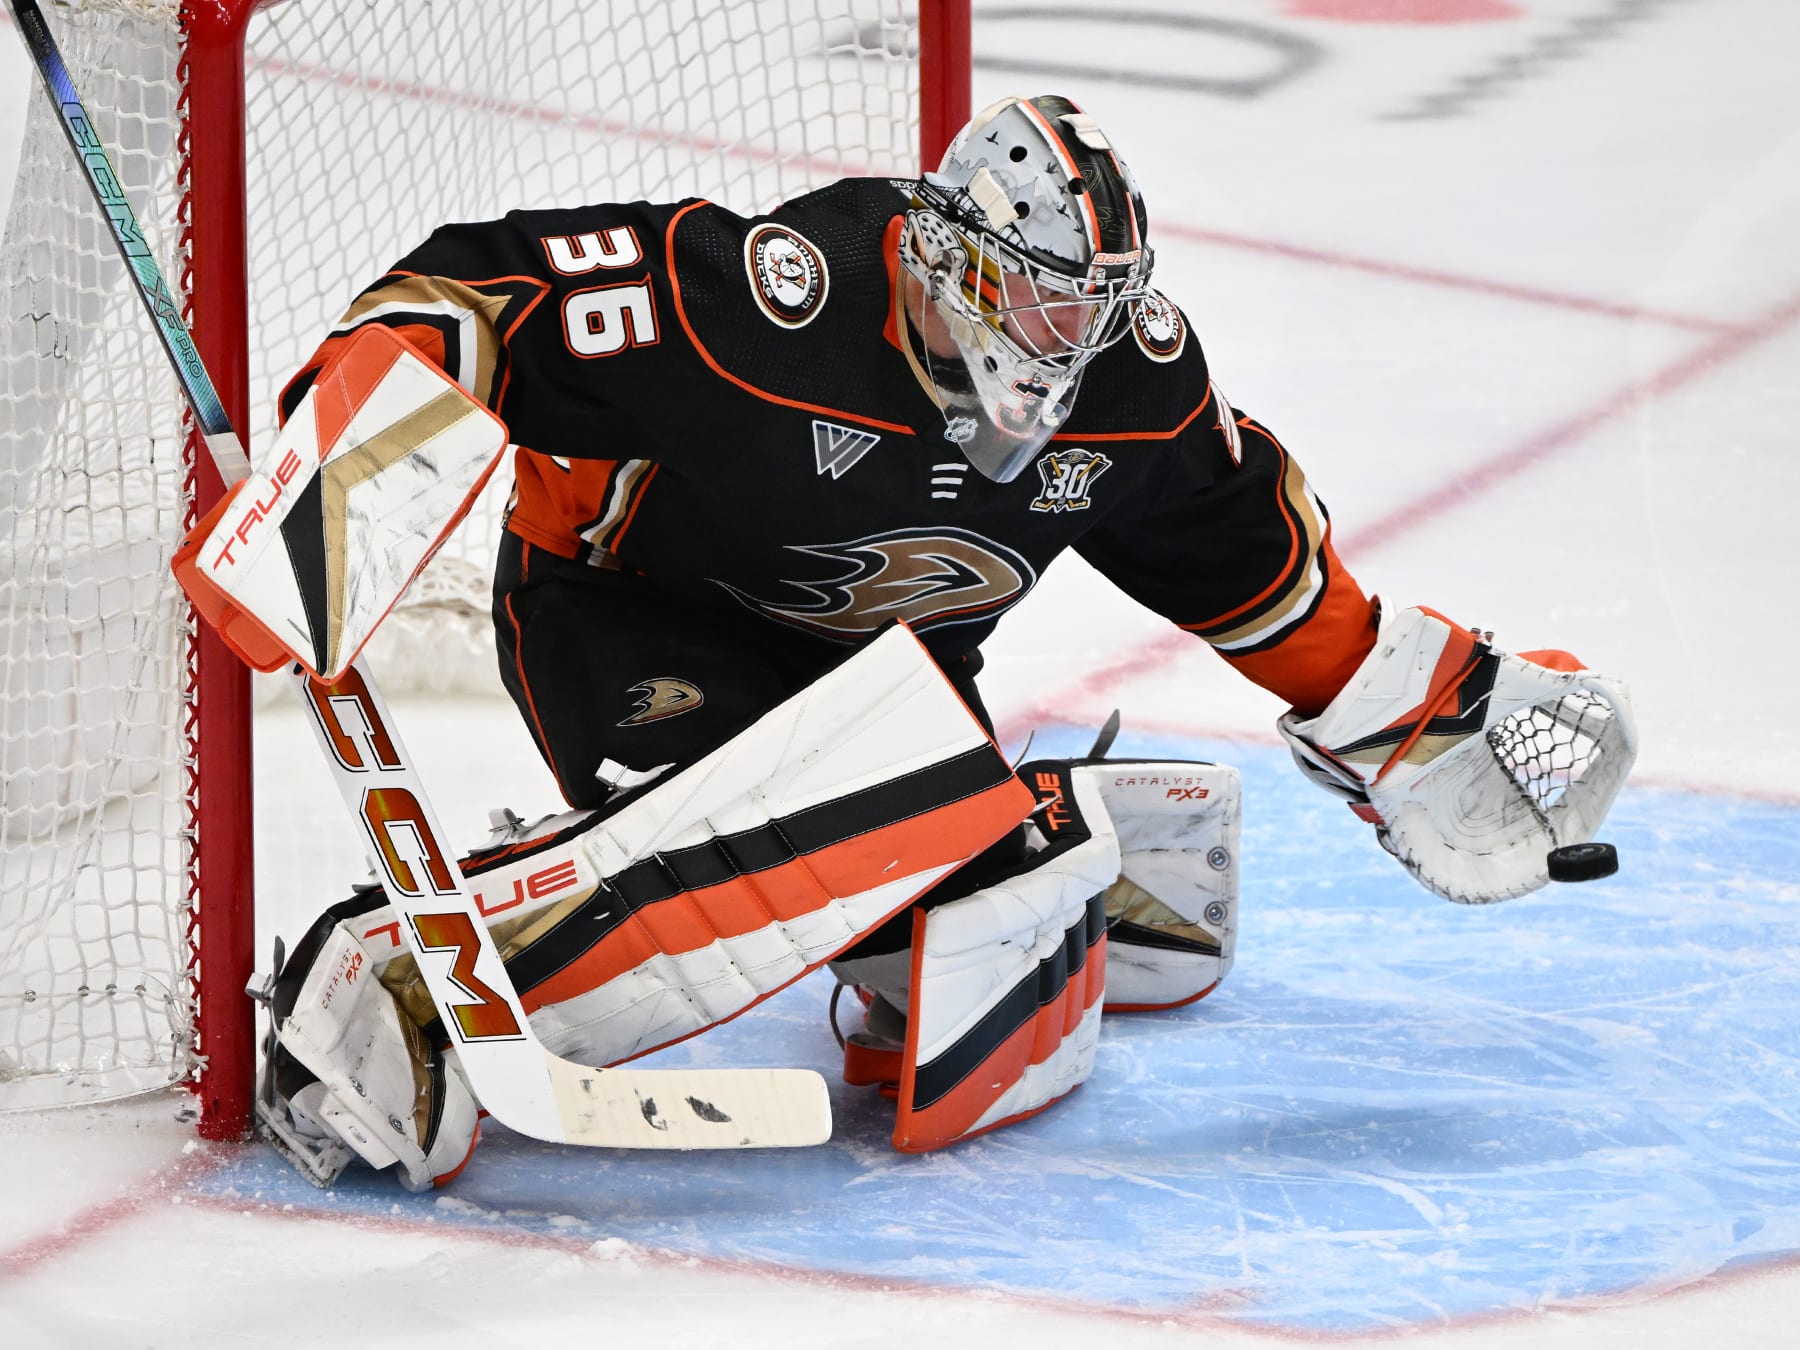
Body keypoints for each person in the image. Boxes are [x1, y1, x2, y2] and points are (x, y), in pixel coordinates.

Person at [254, 95, 1635, 1191]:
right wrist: (342, 465)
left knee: (987, 949)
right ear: (953, 256)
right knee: (830, 825)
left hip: (893, 700)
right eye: (1044, 296)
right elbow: (480, 298)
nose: (1072, 337)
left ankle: (1026, 838)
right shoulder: (769, 307)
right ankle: (384, 974)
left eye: (1095, 303)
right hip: (630, 627)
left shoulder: (1130, 387)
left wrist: (1424, 705)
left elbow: (1248, 562)